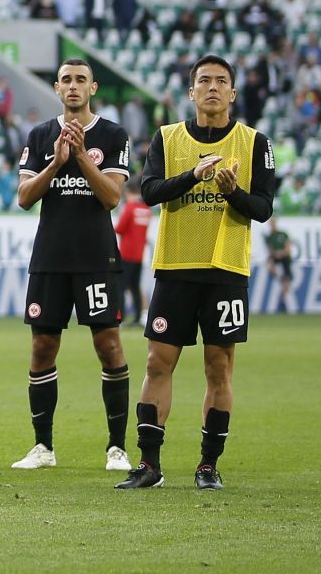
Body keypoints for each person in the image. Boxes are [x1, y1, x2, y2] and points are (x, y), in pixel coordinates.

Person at [119, 54, 276, 491]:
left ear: (232, 92)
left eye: (220, 81)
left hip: (226, 269)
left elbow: (263, 209)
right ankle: (150, 464)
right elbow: (148, 193)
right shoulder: (168, 138)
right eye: (203, 81)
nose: (212, 87)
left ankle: (208, 465)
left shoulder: (255, 142)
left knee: (218, 368)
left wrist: (233, 192)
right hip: (175, 267)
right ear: (191, 92)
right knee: (156, 362)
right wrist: (194, 175)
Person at [10, 58, 134, 473]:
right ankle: (42, 447)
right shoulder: (41, 135)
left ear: (93, 87)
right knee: (43, 346)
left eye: (81, 80)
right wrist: (56, 162)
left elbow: (112, 197)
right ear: (57, 88)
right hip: (50, 257)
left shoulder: (113, 135)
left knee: (109, 345)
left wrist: (80, 157)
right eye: (66, 80)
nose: (74, 86)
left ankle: (117, 448)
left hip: (96, 257)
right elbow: (25, 198)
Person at [114, 192, 153, 320]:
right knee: (135, 287)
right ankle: (137, 317)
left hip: (126, 253)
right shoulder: (147, 210)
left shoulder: (130, 207)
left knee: (121, 286)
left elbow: (120, 228)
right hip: (139, 255)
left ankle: (121, 316)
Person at [264, 219, 295, 313]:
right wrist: (275, 254)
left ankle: (283, 298)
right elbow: (270, 250)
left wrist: (281, 253)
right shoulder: (270, 236)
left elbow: (288, 248)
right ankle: (276, 276)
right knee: (269, 263)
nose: (272, 225)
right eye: (270, 224)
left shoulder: (283, 234)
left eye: (273, 223)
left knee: (287, 279)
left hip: (285, 257)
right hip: (276, 256)